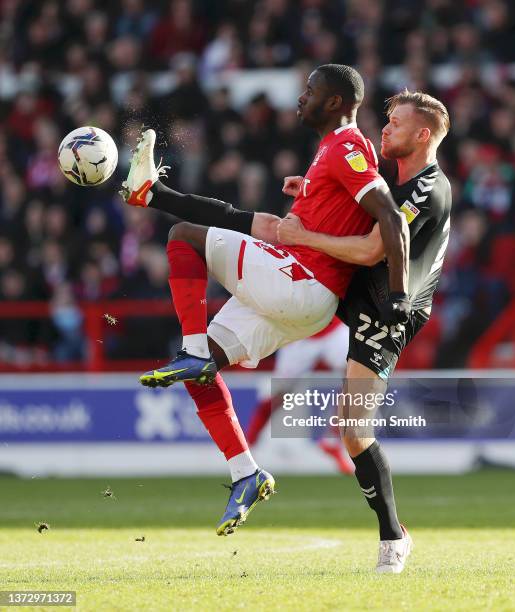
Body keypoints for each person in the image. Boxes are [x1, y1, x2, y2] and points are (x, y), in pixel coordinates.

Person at [120, 64, 410, 537]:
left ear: (335, 102)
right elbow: (251, 221)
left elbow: (392, 220)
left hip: (300, 283)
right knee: (200, 371)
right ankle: (246, 474)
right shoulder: (328, 156)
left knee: (184, 239)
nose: (300, 98)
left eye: (310, 91)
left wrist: (398, 296)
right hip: (297, 298)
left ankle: (192, 347)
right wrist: (158, 195)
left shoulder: (348, 146)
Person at [277, 90, 452, 573]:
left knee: (353, 431)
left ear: (422, 135)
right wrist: (312, 195)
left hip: (389, 311)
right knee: (350, 429)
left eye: (396, 123)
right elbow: (358, 213)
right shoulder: (393, 186)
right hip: (362, 297)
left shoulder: (427, 188)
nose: (385, 128)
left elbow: (373, 249)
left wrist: (302, 233)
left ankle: (393, 536)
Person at [246, 317, 355, 475]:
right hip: (298, 334)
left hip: (332, 327)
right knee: (279, 396)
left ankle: (332, 442)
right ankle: (249, 443)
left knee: (356, 379)